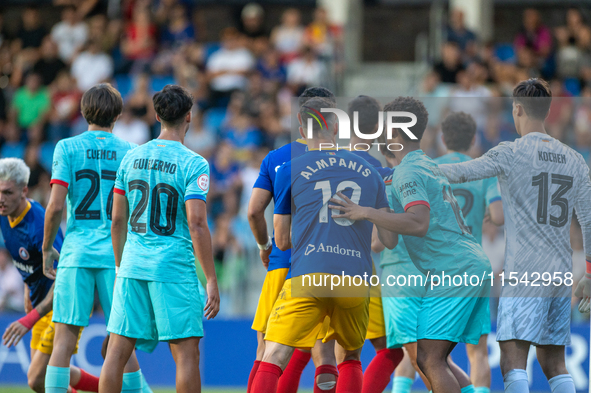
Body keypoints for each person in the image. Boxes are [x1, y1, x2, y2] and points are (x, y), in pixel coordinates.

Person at [439, 78, 591, 393]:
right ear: (547, 112)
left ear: (517, 109)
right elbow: (588, 219)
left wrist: (413, 170)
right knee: (555, 364)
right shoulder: (575, 159)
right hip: (560, 273)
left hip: (525, 272)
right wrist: (589, 273)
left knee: (512, 360)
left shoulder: (511, 152)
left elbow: (463, 171)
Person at [329, 97, 490, 393]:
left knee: (429, 358)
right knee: (433, 358)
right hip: (465, 265)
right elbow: (388, 240)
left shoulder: (408, 171)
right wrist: (376, 206)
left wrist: (365, 212)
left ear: (396, 133)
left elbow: (418, 223)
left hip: (452, 269)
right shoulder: (425, 164)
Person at [252, 96, 395, 393]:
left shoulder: (291, 168)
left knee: (274, 354)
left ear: (302, 130)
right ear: (336, 126)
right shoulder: (369, 169)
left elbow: (281, 239)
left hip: (309, 273)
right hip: (356, 277)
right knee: (351, 357)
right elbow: (388, 239)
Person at [100, 85, 220, 393]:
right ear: (189, 117)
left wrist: (120, 267)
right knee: (186, 356)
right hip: (173, 268)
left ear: (156, 116)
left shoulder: (131, 158)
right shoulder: (194, 163)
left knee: (116, 351)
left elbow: (117, 219)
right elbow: (196, 222)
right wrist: (210, 279)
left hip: (132, 265)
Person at [42, 84, 151, 393]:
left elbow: (54, 207)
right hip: (117, 256)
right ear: (117, 114)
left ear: (83, 111)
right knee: (121, 337)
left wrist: (48, 247)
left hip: (75, 253)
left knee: (63, 338)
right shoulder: (130, 151)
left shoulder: (66, 147)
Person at [246, 86, 338, 393]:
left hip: (284, 262)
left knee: (268, 350)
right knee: (326, 353)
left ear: (300, 120)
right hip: (332, 266)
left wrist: (264, 247)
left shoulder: (278, 159)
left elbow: (254, 211)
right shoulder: (349, 161)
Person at [0, 158, 101, 393]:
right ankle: (112, 388)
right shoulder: (6, 215)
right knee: (43, 380)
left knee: (36, 378)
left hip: (65, 301)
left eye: (7, 192)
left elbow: (66, 277)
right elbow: (28, 261)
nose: (1, 198)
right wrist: (28, 290)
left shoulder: (40, 225)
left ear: (24, 190)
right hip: (40, 302)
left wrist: (29, 319)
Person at [434, 112, 504, 393]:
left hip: (439, 269)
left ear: (442, 139)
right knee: (479, 352)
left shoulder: (430, 169)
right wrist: (485, 215)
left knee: (436, 354)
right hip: (474, 268)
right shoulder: (483, 171)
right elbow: (498, 216)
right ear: (473, 139)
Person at [344, 95, 404, 393]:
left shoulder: (321, 164)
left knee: (321, 354)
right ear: (377, 128)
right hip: (359, 270)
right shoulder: (382, 175)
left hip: (314, 267)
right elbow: (383, 240)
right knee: (391, 350)